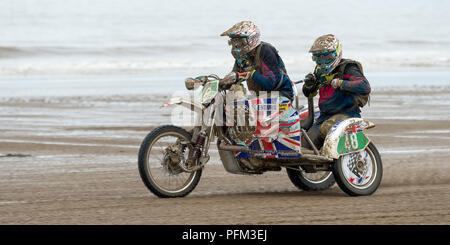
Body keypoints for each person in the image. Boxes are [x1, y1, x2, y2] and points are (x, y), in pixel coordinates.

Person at [302, 34, 371, 150]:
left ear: (337, 53)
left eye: (327, 57)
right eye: (318, 57)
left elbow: (365, 86)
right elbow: (308, 93)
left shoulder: (348, 67)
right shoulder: (319, 71)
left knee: (327, 129)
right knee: (304, 145)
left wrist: (340, 83)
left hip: (346, 114)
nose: (323, 62)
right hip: (324, 116)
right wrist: (309, 85)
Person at [220, 21, 294, 101]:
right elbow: (236, 75)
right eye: (234, 42)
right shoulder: (243, 56)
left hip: (281, 94)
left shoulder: (265, 51)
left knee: (247, 107)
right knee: (231, 99)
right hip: (259, 96)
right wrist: (221, 82)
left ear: (251, 39)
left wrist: (249, 74)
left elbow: (269, 84)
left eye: (240, 42)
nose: (237, 46)